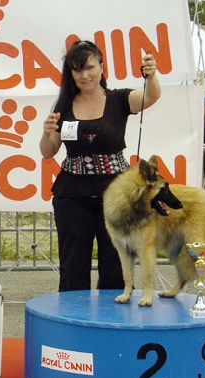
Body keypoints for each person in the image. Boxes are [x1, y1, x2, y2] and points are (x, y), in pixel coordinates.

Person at [39, 40, 161, 292]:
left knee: (116, 261)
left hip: (117, 195)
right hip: (72, 194)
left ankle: (116, 313)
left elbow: (151, 96)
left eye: (89, 67)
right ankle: (73, 312)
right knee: (73, 263)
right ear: (71, 74)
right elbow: (48, 151)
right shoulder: (63, 105)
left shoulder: (119, 99)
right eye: (77, 70)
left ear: (102, 67)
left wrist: (151, 75)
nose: (84, 75)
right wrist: (46, 133)